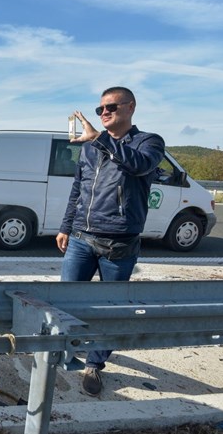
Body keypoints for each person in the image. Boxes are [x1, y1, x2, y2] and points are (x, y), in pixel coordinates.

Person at [56, 86, 165, 397]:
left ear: (130, 107)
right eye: (99, 109)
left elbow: (139, 165)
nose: (104, 113)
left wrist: (99, 139)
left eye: (111, 107)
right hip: (81, 237)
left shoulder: (149, 142)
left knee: (109, 309)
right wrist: (65, 226)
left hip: (119, 243)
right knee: (66, 303)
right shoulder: (91, 147)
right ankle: (64, 351)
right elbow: (79, 187)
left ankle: (94, 364)